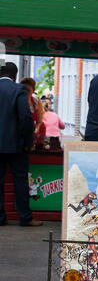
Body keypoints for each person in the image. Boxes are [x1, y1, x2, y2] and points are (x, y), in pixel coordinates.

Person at [0, 62, 43, 226]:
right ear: (15, 75)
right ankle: (25, 217)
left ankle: (0, 217)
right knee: (20, 181)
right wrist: (28, 142)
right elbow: (26, 117)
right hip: (16, 145)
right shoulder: (19, 90)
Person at [20, 78, 46, 149]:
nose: (25, 93)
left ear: (33, 91)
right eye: (23, 90)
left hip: (33, 132)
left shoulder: (36, 101)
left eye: (28, 90)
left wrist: (36, 129)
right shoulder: (17, 100)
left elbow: (39, 121)